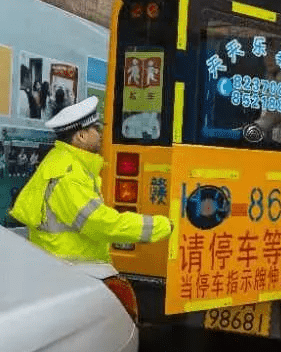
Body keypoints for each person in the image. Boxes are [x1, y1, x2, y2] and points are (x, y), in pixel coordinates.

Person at [10, 96, 172, 263]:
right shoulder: (69, 175)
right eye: (95, 128)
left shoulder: (64, 163)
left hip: (65, 266)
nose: (100, 134)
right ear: (81, 136)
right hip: (71, 269)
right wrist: (162, 226)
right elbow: (102, 224)